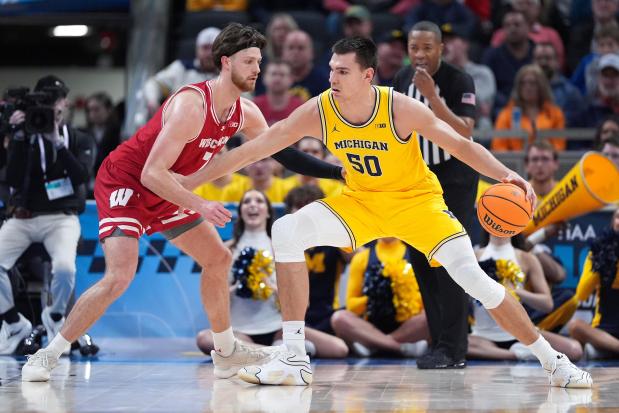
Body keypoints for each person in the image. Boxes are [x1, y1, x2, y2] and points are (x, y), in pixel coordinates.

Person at [183, 36, 592, 387]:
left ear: (367, 76)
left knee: (476, 282)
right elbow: (254, 150)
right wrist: (185, 184)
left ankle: (553, 362)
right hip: (360, 203)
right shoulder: (319, 110)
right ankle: (293, 358)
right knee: (287, 230)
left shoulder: (398, 108)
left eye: (342, 72)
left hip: (418, 205)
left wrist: (507, 174)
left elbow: (463, 147)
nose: (332, 78)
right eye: (330, 70)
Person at [21, 23, 344, 382]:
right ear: (225, 62)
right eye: (249, 61)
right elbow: (150, 173)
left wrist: (336, 173)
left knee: (218, 258)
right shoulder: (191, 105)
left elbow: (283, 152)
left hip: (170, 187)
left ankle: (225, 352)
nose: (257, 69)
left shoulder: (245, 112)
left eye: (258, 61)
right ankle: (49, 353)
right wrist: (200, 204)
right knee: (119, 276)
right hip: (127, 180)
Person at [393, 21, 477, 369]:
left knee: (447, 260)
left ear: (441, 48)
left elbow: (465, 130)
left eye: (428, 48)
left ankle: (455, 348)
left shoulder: (460, 80)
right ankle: (438, 342)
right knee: (421, 262)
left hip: (454, 177)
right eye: (415, 48)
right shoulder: (399, 80)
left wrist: (431, 96)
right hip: (415, 178)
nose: (420, 55)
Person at [0, 75, 95, 356]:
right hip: (23, 216)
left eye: (55, 102)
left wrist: (58, 144)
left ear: (64, 104)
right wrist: (17, 137)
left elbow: (81, 176)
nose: (51, 109)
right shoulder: (23, 137)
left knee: (65, 268)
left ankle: (54, 319)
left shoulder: (77, 138)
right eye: (44, 103)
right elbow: (13, 179)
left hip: (61, 218)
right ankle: (14, 323)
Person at [469, 231, 582, 362]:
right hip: (482, 336)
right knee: (454, 344)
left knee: (575, 350)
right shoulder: (473, 256)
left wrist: (516, 292)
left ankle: (502, 352)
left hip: (520, 332)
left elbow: (547, 304)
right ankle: (515, 354)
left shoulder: (527, 258)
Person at [331, 237, 430, 358]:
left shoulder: (416, 257)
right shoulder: (361, 257)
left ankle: (375, 344)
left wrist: (403, 295)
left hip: (408, 326)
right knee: (339, 318)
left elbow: (428, 302)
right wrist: (374, 298)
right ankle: (399, 348)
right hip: (370, 325)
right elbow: (351, 305)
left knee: (432, 315)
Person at [568, 207, 619, 359]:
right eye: (618, 217)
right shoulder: (598, 251)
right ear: (612, 222)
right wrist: (599, 260)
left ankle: (606, 351)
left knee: (590, 350)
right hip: (604, 330)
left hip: (606, 341)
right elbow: (582, 294)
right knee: (575, 326)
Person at [143, 27, 221, 116]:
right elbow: (154, 83)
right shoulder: (180, 68)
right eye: (205, 48)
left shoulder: (231, 74)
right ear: (197, 50)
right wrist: (152, 100)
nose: (209, 53)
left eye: (214, 48)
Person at [492, 64, 566, 152]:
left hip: (545, 162)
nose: (527, 87)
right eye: (523, 83)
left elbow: (559, 146)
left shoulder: (555, 114)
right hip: (513, 164)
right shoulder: (506, 115)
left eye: (532, 83)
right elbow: (499, 147)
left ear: (541, 86)